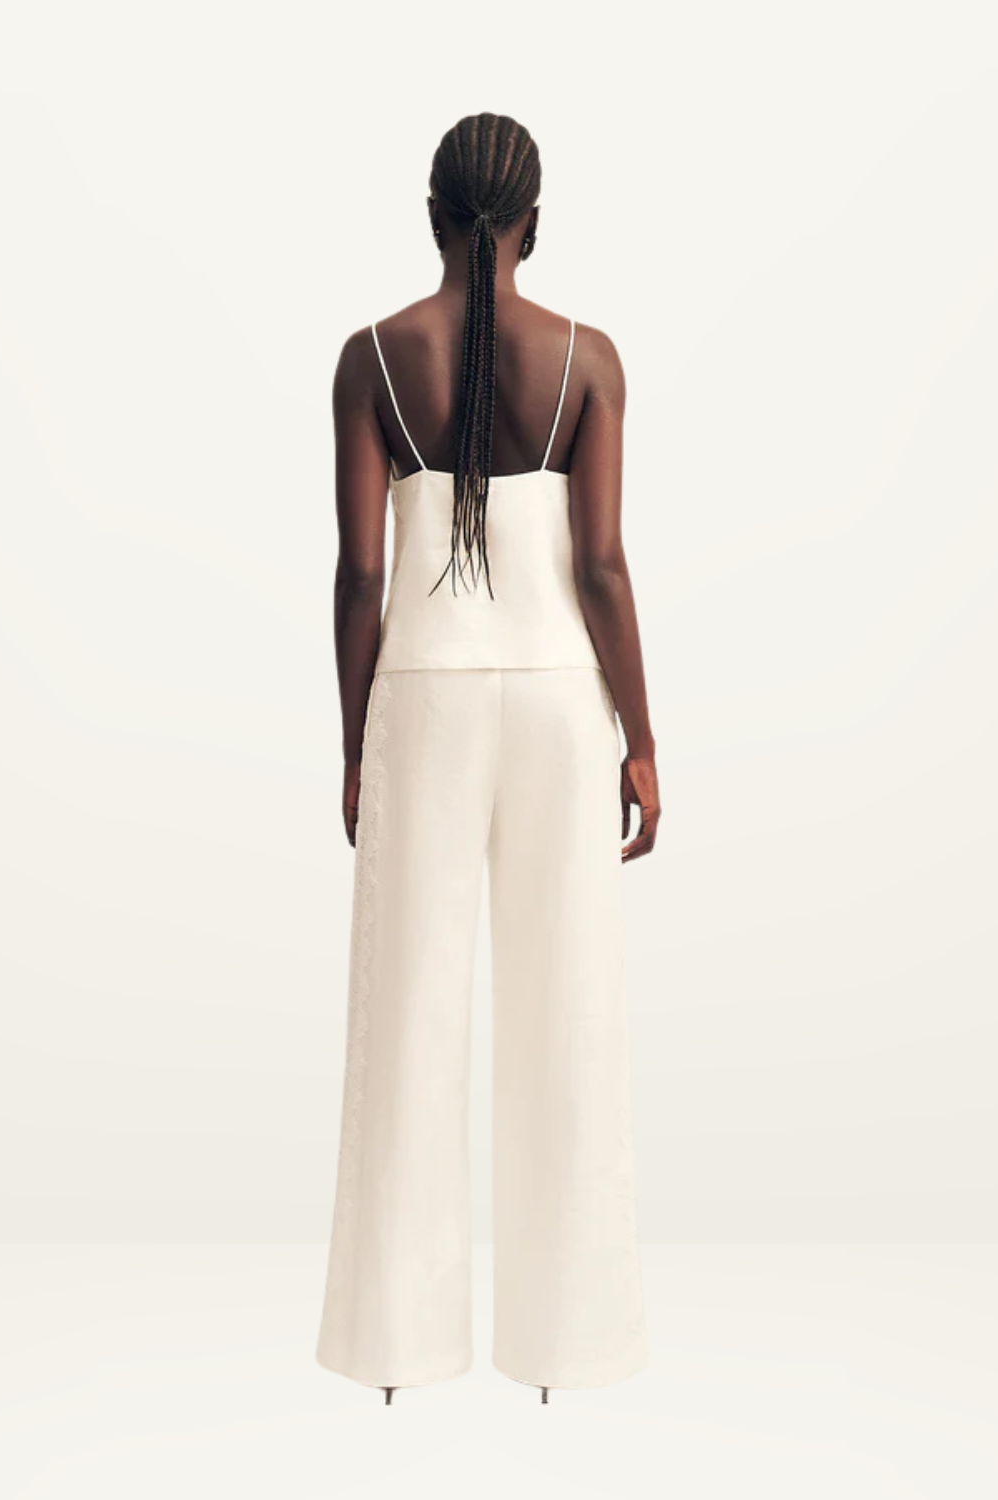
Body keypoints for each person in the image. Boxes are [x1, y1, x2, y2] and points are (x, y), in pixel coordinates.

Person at [316, 112, 661, 1404]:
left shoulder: (370, 358)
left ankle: (394, 1354)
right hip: (562, 703)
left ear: (431, 217)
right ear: (533, 224)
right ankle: (567, 1353)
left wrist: (355, 743)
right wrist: (643, 741)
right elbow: (603, 567)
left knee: (406, 1015)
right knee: (569, 1013)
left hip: (422, 698)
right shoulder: (590, 360)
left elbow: (359, 575)